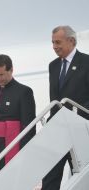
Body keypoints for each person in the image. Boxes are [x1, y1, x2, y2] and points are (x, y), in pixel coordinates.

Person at [42, 26, 89, 190]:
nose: (54, 46)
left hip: (80, 129)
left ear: (72, 41)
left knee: (82, 173)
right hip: (58, 128)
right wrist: (50, 122)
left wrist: (77, 115)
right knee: (50, 174)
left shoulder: (86, 62)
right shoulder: (53, 65)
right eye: (52, 42)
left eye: (58, 42)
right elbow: (54, 98)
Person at [0, 54, 36, 177]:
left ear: (11, 70)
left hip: (11, 146)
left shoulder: (24, 92)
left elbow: (29, 127)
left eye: (2, 74)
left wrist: (25, 153)